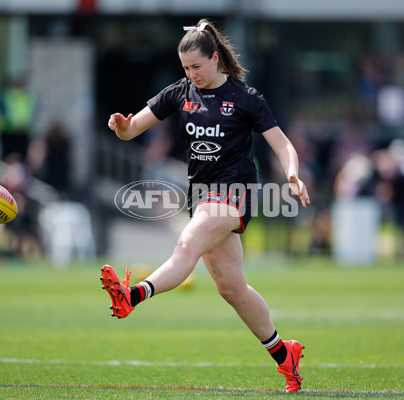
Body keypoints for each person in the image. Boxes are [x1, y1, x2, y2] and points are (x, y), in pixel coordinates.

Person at [103, 19, 311, 393]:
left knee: (187, 245)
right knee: (232, 289)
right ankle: (285, 354)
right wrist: (121, 126)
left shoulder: (246, 98)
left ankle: (132, 295)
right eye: (185, 68)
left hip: (235, 192)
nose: (191, 74)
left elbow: (283, 145)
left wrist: (293, 174)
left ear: (215, 59)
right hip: (201, 195)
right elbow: (133, 128)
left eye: (197, 66)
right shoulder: (179, 92)